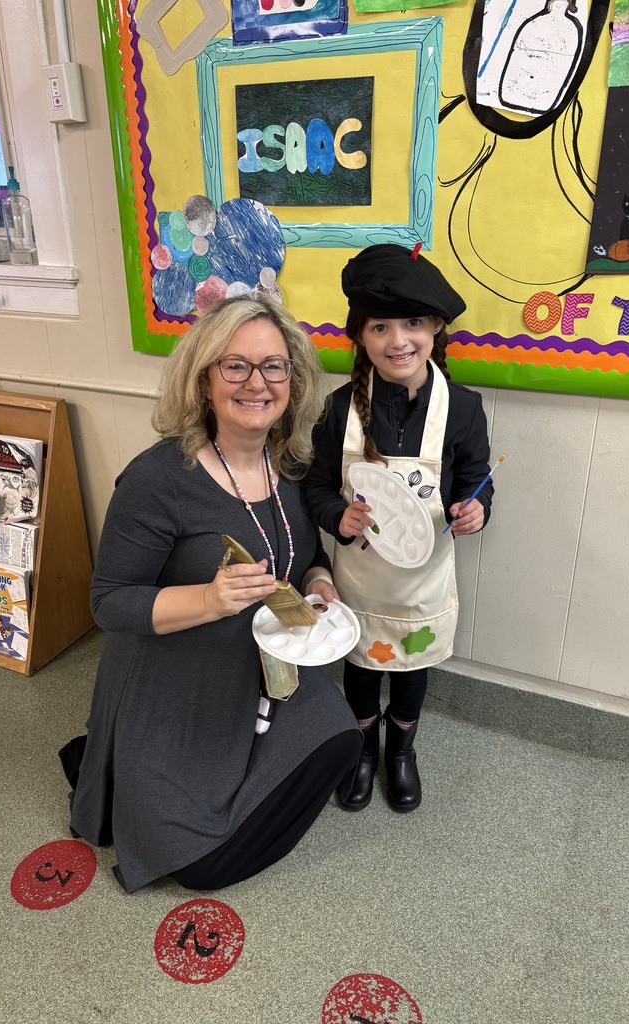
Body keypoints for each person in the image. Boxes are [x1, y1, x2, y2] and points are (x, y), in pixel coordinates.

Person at [60, 295, 360, 894]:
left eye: (274, 366)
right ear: (203, 380)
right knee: (201, 868)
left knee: (342, 737)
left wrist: (319, 583)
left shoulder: (290, 465)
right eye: (235, 366)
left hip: (261, 672)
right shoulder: (158, 479)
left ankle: (131, 766)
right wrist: (209, 600)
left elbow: (304, 556)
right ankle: (113, 760)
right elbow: (110, 602)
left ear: (293, 381)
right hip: (174, 679)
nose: (257, 383)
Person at [302, 243, 493, 814]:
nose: (398, 341)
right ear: (361, 336)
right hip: (359, 581)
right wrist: (337, 515)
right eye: (380, 327)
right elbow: (313, 486)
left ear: (436, 327)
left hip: (423, 582)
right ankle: (363, 750)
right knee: (360, 670)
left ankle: (400, 751)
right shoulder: (340, 409)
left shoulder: (462, 409)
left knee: (412, 669)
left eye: (413, 323)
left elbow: (478, 481)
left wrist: (476, 510)